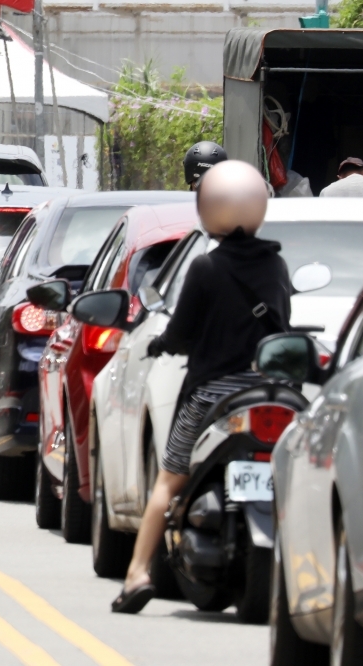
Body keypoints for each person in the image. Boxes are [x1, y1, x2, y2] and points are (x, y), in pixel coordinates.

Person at [112, 160, 291, 614]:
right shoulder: (276, 266)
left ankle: (136, 576)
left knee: (168, 482)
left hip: (211, 396)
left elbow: (182, 334)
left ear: (208, 207)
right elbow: (282, 325)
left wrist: (163, 345)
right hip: (267, 394)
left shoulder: (206, 268)